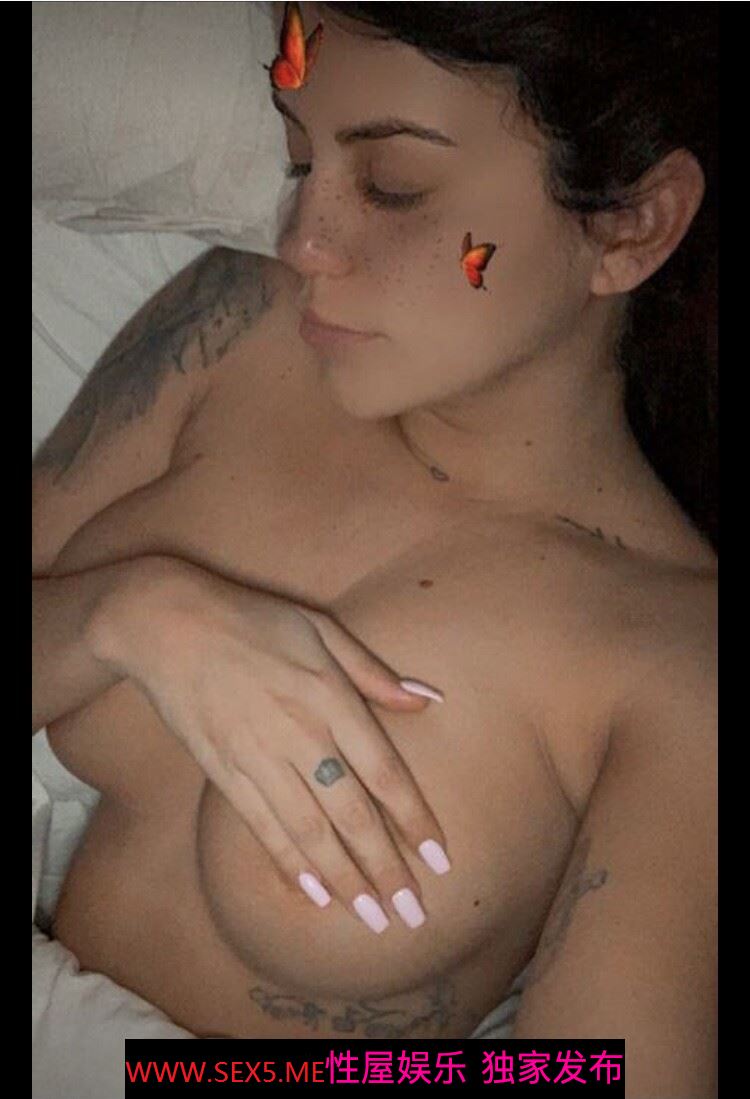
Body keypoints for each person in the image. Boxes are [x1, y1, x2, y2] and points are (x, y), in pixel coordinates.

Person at [32, 3, 717, 1093]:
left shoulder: (676, 658)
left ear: (632, 225)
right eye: (301, 159)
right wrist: (136, 614)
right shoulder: (239, 319)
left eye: (393, 184)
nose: (302, 240)